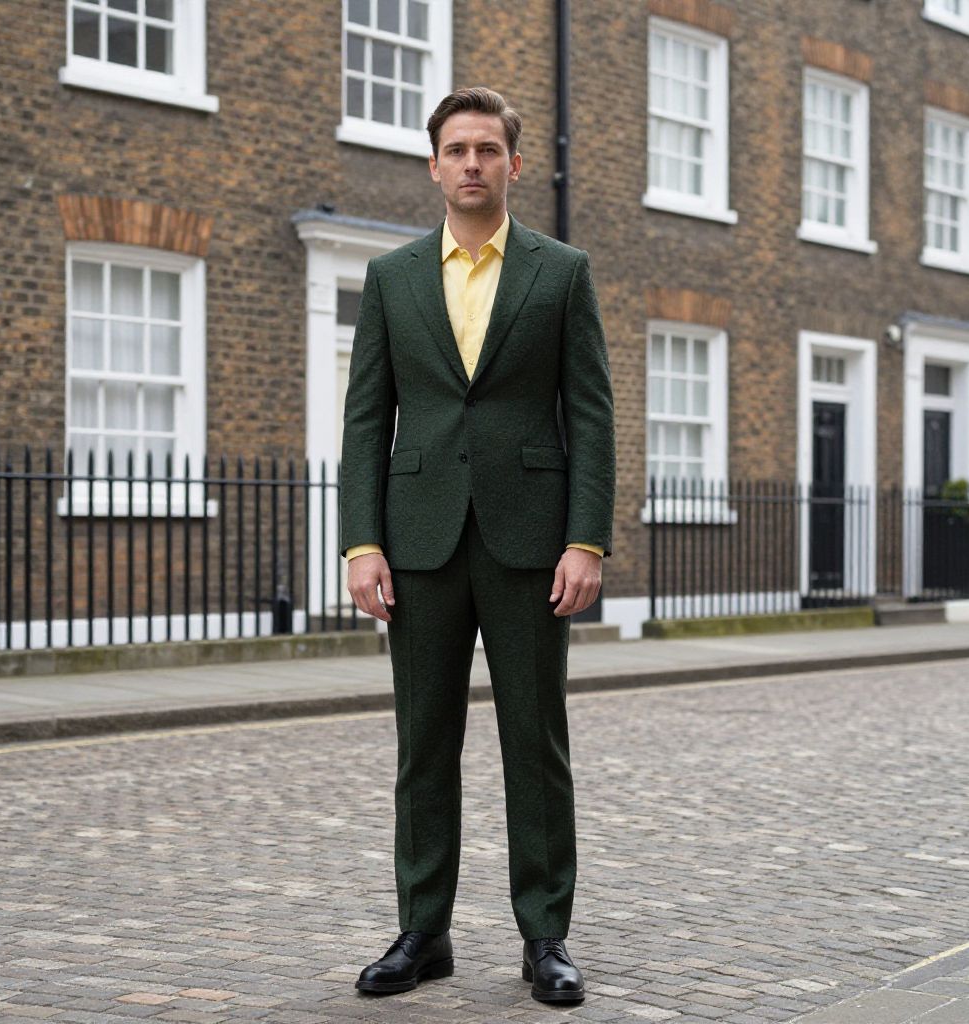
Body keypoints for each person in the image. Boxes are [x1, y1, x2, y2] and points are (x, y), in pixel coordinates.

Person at [339, 86, 615, 1004]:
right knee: (424, 743)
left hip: (530, 542)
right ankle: (423, 931)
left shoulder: (561, 271)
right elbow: (366, 421)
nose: (470, 164)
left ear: (513, 164)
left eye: (487, 150)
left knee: (534, 742)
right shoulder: (392, 278)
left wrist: (586, 539)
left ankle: (546, 937)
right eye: (455, 149)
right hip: (416, 543)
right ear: (432, 164)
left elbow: (591, 414)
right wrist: (359, 544)